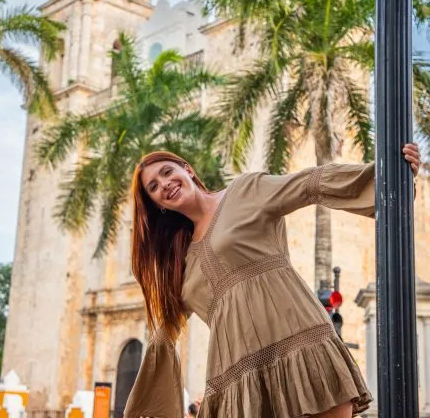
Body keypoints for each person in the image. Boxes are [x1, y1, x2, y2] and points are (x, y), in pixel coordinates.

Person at [123, 144, 421, 418]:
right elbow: (164, 335)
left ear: (186, 170)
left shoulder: (244, 190)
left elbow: (308, 185)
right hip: (239, 380)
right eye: (154, 187)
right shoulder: (179, 260)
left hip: (301, 346)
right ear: (157, 204)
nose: (165, 184)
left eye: (167, 172)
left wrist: (390, 177)